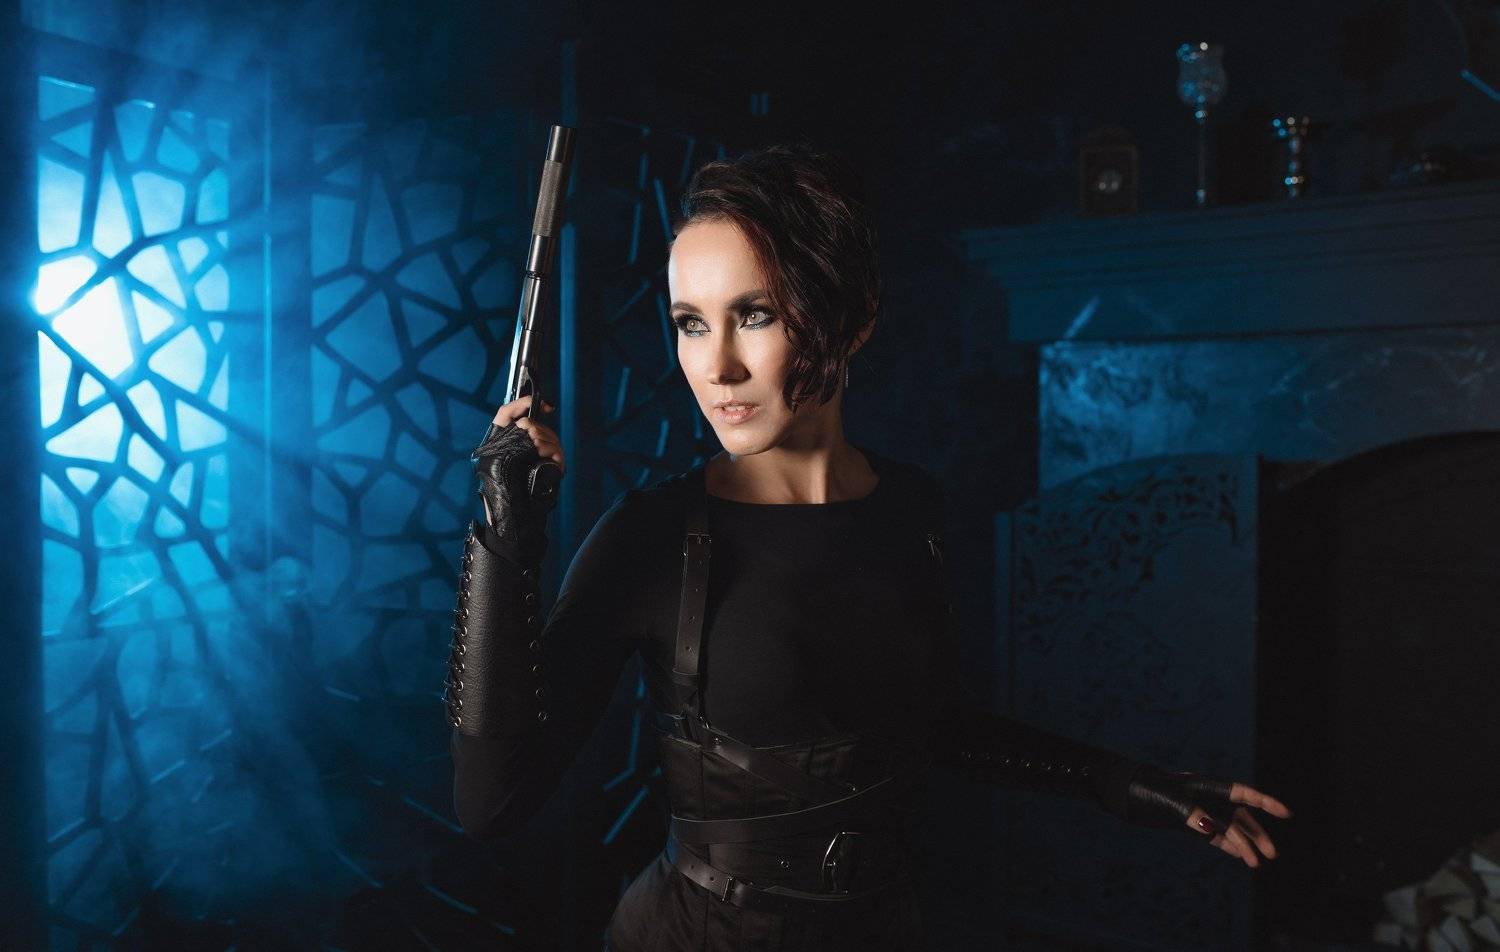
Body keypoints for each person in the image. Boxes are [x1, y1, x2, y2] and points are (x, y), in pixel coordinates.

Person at [444, 144, 1292, 951]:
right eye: (691, 324)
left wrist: (1125, 784)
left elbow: (930, 728)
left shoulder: (910, 506)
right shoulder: (651, 536)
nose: (718, 366)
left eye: (755, 315)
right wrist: (502, 544)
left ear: (851, 320)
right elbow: (491, 803)